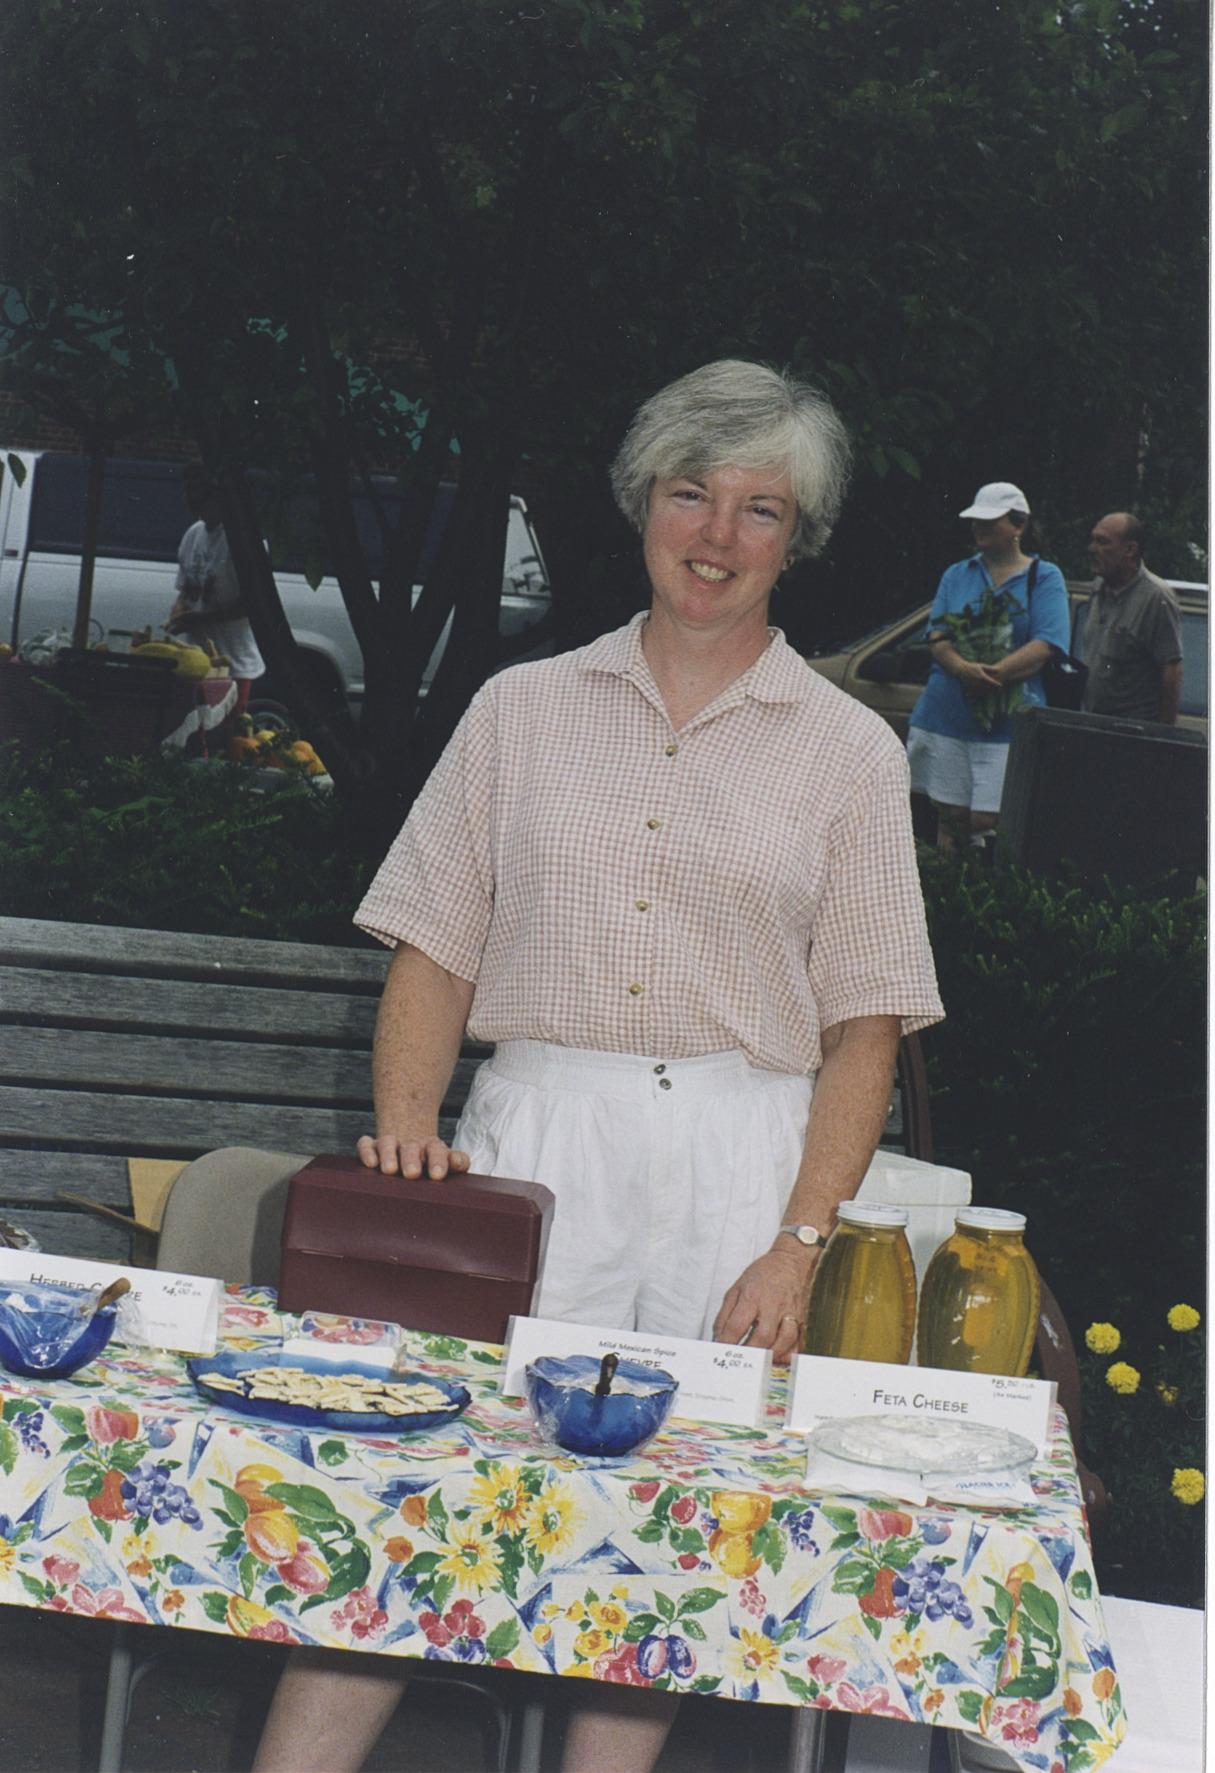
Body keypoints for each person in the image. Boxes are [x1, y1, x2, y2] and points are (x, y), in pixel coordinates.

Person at [252, 359, 944, 1773]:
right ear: (639, 505)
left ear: (797, 539)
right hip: (530, 1145)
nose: (714, 533)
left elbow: (862, 1027)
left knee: (648, 1575)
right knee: (408, 1523)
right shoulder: (521, 708)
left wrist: (795, 1244)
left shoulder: (850, 754)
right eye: (688, 492)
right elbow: (434, 946)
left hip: (733, 1178)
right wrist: (406, 1141)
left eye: (759, 509)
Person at [906, 481, 1069, 851]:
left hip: (1008, 724)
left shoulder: (1044, 577)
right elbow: (938, 636)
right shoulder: (957, 574)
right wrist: (964, 669)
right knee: (949, 819)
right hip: (947, 715)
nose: (979, 528)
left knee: (990, 821)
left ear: (1018, 525)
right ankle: (950, 901)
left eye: (990, 521)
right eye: (976, 521)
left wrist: (995, 676)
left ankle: (986, 901)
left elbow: (1048, 643)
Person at [167, 463, 264, 725]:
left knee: (226, 737)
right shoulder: (193, 534)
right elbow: (186, 592)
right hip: (194, 663)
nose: (190, 499)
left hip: (233, 665)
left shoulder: (242, 540)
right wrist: (179, 611)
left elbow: (252, 605)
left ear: (218, 495)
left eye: (197, 491)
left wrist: (199, 619)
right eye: (187, 491)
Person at [1081, 511, 1183, 724]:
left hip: (1132, 731)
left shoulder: (1156, 597)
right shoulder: (1099, 588)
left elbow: (1171, 672)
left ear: (1130, 549)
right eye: (1093, 540)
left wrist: (1163, 738)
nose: (1092, 549)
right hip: (1092, 723)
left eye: (1103, 542)